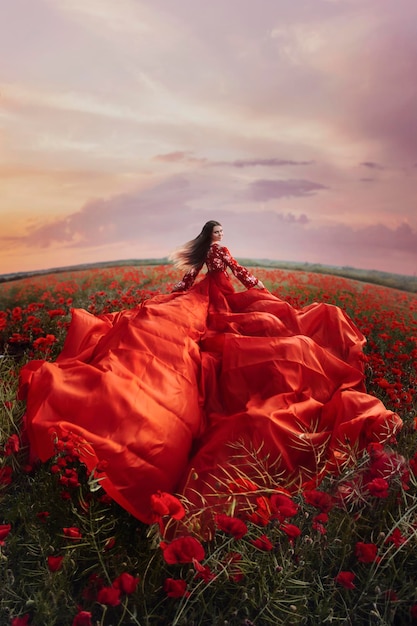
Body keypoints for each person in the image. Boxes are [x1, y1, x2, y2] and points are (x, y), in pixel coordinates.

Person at [18, 221, 401, 525]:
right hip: (214, 295)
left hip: (210, 295)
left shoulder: (207, 255)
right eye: (217, 233)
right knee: (230, 337)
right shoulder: (220, 252)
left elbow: (202, 277)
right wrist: (257, 288)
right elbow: (238, 271)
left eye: (219, 234)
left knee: (218, 336)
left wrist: (180, 292)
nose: (220, 237)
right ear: (212, 236)